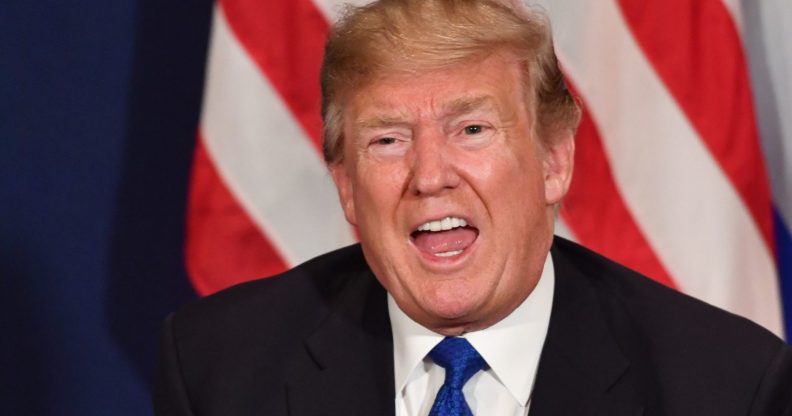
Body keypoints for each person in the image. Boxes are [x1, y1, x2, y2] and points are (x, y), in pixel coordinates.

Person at [153, 0, 792, 415]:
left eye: (473, 130)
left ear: (553, 161)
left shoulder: (722, 387)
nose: (430, 177)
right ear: (347, 186)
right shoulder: (218, 371)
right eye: (388, 140)